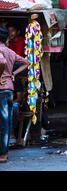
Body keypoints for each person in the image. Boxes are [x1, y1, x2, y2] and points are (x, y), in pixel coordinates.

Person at [0, 27, 29, 163]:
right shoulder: (10, 51)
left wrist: (1, 76)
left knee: (4, 123)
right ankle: (4, 152)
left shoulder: (1, 50)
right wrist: (14, 74)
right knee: (7, 123)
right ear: (6, 38)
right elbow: (26, 62)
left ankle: (3, 154)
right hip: (9, 90)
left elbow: (2, 62)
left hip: (1, 88)